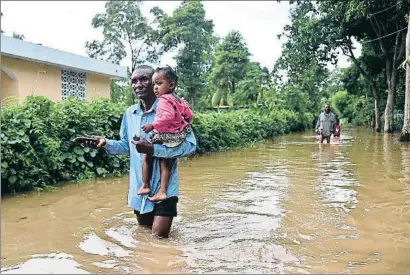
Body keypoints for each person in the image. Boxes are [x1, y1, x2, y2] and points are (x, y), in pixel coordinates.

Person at [78, 65, 196, 238]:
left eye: (144, 79)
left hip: (166, 189)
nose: (138, 84)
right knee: (144, 238)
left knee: (159, 239)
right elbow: (127, 146)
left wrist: (154, 149)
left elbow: (191, 146)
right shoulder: (130, 113)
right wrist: (105, 143)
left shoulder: (172, 109)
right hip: (140, 187)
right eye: (134, 81)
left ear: (156, 83)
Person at [138, 66, 194, 202]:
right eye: (154, 84)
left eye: (159, 83)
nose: (155, 88)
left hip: (165, 135)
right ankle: (162, 191)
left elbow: (167, 117)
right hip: (178, 135)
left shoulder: (163, 100)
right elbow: (190, 115)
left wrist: (153, 125)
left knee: (147, 156)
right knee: (165, 164)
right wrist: (182, 121)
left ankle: (145, 185)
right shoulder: (179, 100)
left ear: (171, 85)